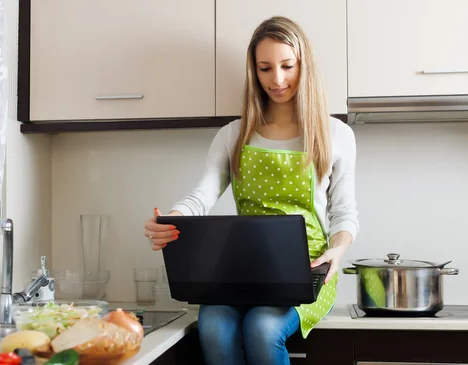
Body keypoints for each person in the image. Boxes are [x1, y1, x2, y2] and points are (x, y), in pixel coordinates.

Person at [143, 15, 359, 365]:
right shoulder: (233, 135)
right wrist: (172, 219)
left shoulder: (335, 134)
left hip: (307, 270)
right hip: (240, 272)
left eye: (288, 66)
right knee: (213, 328)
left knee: (262, 328)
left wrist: (337, 251)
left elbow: (345, 213)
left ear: (304, 65)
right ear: (253, 72)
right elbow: (201, 197)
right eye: (265, 68)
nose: (277, 79)